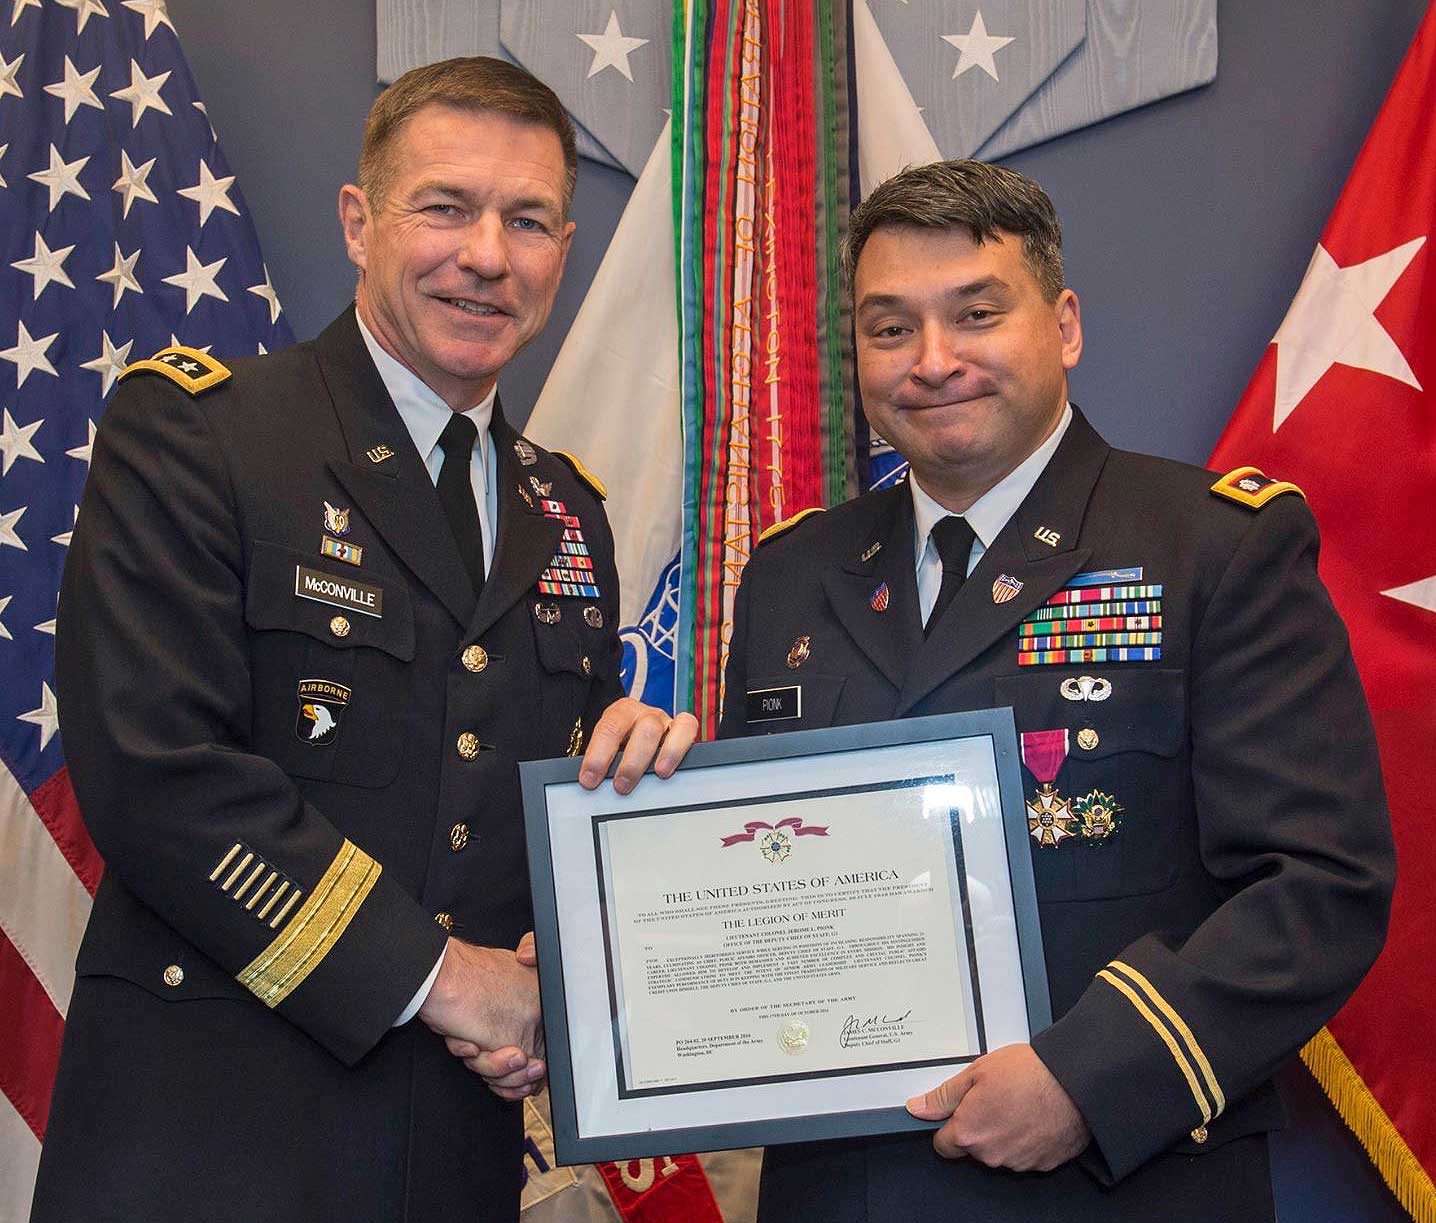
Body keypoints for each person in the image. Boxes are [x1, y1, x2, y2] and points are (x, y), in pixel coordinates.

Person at [31, 57, 695, 1223]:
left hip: (451, 1152)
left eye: (526, 220)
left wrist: (626, 791)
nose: (485, 255)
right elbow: (156, 773)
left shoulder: (564, 509)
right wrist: (442, 978)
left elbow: (504, 801)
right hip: (212, 1143)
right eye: (445, 206)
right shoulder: (203, 435)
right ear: (357, 221)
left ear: (562, 249)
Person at [719, 160, 1394, 1222]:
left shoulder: (1210, 547)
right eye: (890, 328)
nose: (932, 360)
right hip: (845, 1189)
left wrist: (1092, 1078)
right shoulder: (790, 576)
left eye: (976, 314)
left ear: (1064, 325)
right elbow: (754, 882)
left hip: (1119, 1183)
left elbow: (1319, 885)